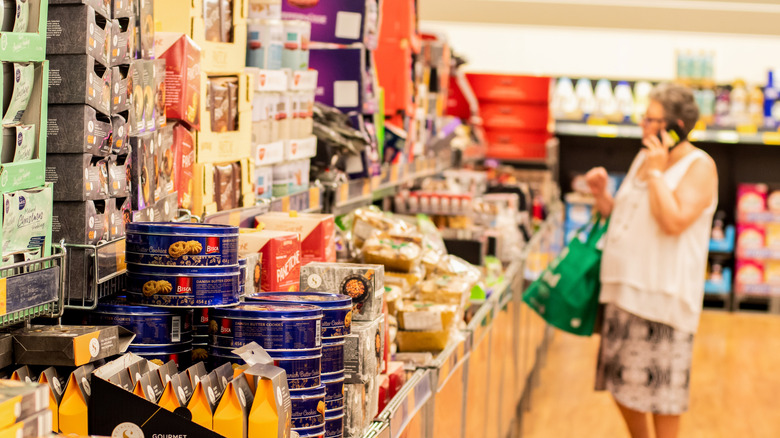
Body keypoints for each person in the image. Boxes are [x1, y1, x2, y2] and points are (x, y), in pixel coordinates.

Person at [585, 82, 718, 438]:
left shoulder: (699, 166)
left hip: (661, 299)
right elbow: (625, 218)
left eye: (651, 119)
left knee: (661, 396)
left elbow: (672, 221)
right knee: (620, 384)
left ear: (674, 124)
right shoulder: (644, 158)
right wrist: (601, 196)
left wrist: (658, 172)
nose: (642, 125)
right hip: (622, 292)